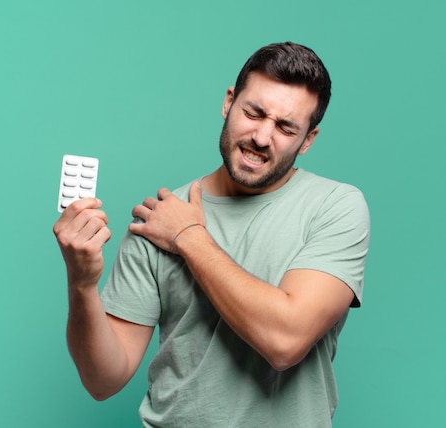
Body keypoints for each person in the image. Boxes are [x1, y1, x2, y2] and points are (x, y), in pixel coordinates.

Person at [53, 41, 370, 427]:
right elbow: (102, 380)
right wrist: (82, 284)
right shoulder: (158, 219)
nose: (262, 137)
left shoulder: (335, 207)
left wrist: (188, 237)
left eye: (286, 128)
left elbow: (285, 341)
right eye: (253, 113)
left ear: (308, 140)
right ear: (229, 102)